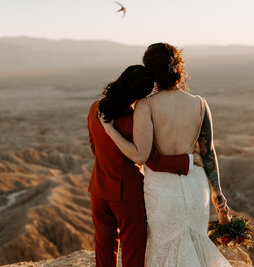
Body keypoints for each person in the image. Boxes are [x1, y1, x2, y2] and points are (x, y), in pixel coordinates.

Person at [100, 44, 231, 266]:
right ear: (179, 68)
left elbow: (140, 155)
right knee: (196, 247)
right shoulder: (200, 104)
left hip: (162, 192)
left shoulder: (146, 105)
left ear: (151, 73)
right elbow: (208, 153)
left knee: (166, 250)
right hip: (196, 190)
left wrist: (110, 130)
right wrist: (218, 194)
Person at [87, 65, 203, 267]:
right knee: (133, 253)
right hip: (127, 197)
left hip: (98, 190)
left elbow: (94, 147)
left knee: (103, 251)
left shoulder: (96, 108)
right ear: (141, 95)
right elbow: (152, 160)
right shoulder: (133, 121)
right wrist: (191, 160)